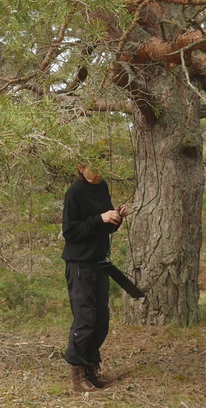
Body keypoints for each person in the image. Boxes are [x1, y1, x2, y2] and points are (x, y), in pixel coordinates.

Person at [61, 163, 128, 392]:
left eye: (102, 169)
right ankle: (77, 375)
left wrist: (116, 217)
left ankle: (91, 369)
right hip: (80, 264)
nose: (98, 174)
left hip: (99, 263)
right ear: (81, 168)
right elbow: (70, 231)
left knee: (100, 320)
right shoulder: (74, 192)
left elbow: (106, 227)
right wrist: (100, 218)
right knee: (85, 319)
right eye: (93, 169)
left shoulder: (102, 187)